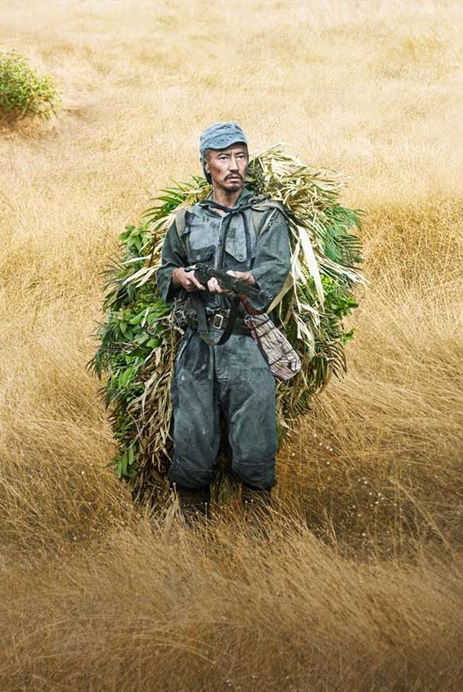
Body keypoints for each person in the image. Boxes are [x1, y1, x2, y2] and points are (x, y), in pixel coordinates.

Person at [155, 122, 293, 526]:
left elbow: (274, 271)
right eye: (223, 157)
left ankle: (258, 539)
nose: (234, 166)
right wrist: (183, 278)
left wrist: (241, 282)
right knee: (193, 446)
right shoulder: (186, 220)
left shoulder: (267, 217)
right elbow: (166, 270)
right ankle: (195, 541)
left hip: (248, 345)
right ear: (207, 166)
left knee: (255, 446)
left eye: (240, 156)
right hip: (197, 348)